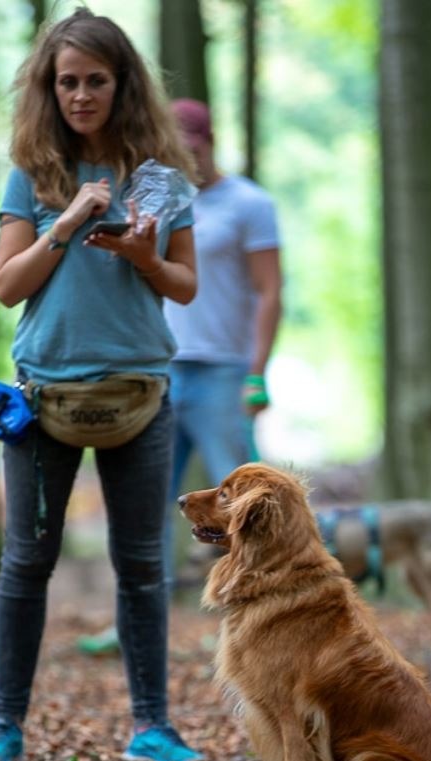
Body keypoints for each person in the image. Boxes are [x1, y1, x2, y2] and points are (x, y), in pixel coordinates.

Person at [0, 8, 203, 761]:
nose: (80, 95)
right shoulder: (32, 173)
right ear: (48, 87)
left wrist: (142, 255)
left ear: (123, 83)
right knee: (27, 564)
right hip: (43, 399)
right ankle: (3, 726)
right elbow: (6, 286)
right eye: (66, 81)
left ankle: (152, 728)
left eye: (96, 80)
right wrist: (65, 220)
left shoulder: (164, 178)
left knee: (142, 566)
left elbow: (185, 286)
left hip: (141, 394)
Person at [163, 97, 283, 586]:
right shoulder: (161, 204)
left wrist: (256, 372)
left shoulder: (249, 204)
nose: (183, 156)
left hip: (224, 373)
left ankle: (263, 608)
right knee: (145, 502)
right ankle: (134, 619)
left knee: (242, 506)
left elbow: (270, 290)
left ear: (208, 140)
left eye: (189, 144)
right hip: (163, 372)